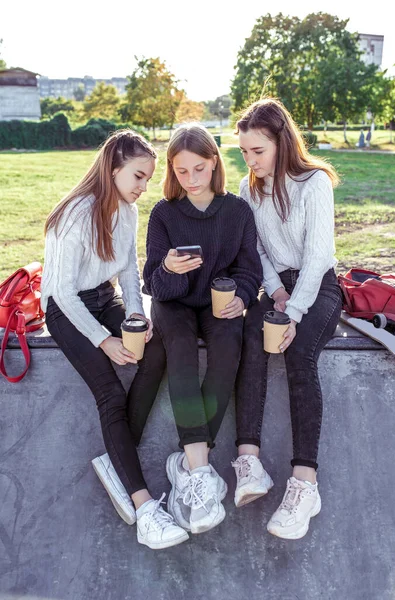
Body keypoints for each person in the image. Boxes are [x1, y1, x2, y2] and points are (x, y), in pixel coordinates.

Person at [41, 129, 188, 550]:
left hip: (106, 297)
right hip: (66, 308)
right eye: (139, 177)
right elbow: (64, 294)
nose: (144, 187)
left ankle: (115, 458)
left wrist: (138, 317)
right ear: (114, 167)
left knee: (157, 348)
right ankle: (144, 509)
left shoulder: (127, 211)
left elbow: (128, 271)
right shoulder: (75, 213)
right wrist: (105, 340)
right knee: (108, 392)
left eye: (147, 179)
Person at [143, 124, 262, 535]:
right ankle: (199, 468)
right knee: (178, 349)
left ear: (214, 162)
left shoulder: (237, 212)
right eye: (181, 171)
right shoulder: (163, 214)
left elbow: (250, 270)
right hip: (173, 302)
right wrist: (168, 269)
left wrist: (242, 298)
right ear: (172, 172)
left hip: (217, 300)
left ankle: (189, 464)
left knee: (229, 348)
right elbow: (154, 284)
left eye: (199, 168)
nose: (191, 179)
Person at [233, 98, 342, 540]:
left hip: (319, 287)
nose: (250, 160)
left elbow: (317, 259)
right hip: (277, 285)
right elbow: (256, 249)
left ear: (281, 141)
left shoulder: (314, 183)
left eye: (257, 151)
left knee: (299, 354)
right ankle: (250, 463)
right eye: (243, 151)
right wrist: (276, 292)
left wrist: (293, 310)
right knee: (248, 339)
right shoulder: (248, 187)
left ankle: (305, 484)